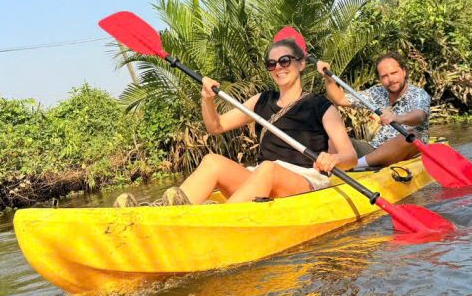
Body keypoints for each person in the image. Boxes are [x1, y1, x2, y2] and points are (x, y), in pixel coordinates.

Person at [114, 38, 357, 207]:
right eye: (272, 64)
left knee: (268, 168)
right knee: (212, 162)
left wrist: (333, 158)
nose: (278, 68)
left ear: (301, 64)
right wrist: (206, 99)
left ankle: (221, 222)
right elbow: (215, 127)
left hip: (303, 181)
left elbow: (350, 156)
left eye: (285, 61)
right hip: (261, 178)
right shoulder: (261, 100)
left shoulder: (322, 106)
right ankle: (169, 215)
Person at [316, 52, 431, 168]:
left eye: (394, 73)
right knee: (334, 138)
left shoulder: (418, 94)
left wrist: (398, 118)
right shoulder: (377, 92)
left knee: (412, 137)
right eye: (384, 76)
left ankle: (357, 165)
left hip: (403, 149)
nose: (390, 79)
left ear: (404, 71)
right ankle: (332, 173)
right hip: (374, 149)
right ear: (380, 79)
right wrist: (327, 76)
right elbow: (340, 99)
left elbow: (419, 116)